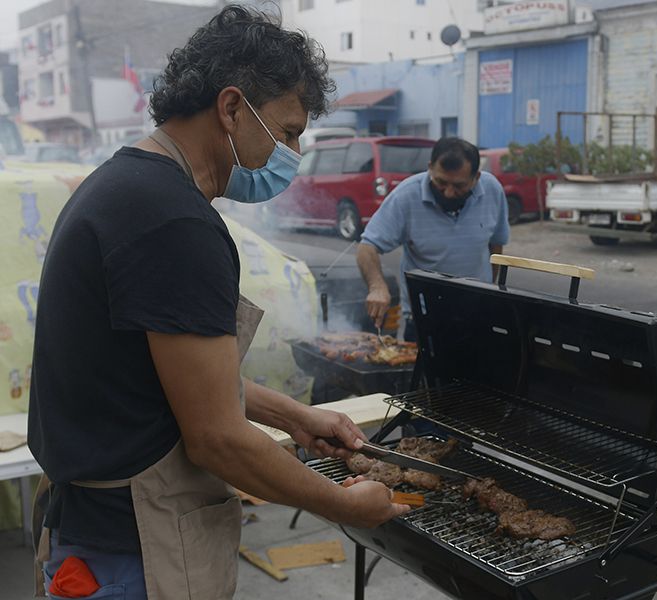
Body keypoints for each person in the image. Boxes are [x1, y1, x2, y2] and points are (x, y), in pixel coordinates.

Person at [28, 7, 407, 599]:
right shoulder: (173, 221)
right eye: (287, 132)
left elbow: (165, 377)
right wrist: (344, 504)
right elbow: (217, 438)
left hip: (96, 541)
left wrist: (294, 415)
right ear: (231, 108)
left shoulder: (124, 187)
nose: (293, 152)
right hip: (137, 552)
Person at [357, 137, 510, 342]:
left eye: (459, 186)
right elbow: (367, 247)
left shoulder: (492, 190)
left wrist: (489, 290)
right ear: (430, 168)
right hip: (423, 318)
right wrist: (377, 287)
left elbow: (496, 245)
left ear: (476, 177)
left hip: (478, 315)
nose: (448, 192)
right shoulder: (406, 196)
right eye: (441, 182)